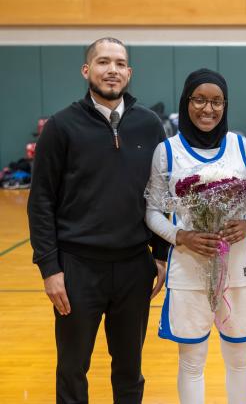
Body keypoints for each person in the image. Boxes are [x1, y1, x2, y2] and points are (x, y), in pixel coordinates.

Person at [27, 37, 168, 404]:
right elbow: (40, 200)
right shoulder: (60, 127)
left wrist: (161, 254)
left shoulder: (149, 125)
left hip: (134, 267)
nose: (113, 70)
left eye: (120, 63)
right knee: (72, 369)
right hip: (77, 269)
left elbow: (163, 194)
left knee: (129, 370)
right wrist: (49, 268)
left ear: (129, 73)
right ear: (87, 70)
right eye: (104, 62)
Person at [145, 69, 246, 404]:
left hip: (238, 264)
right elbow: (152, 211)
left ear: (225, 105)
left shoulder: (242, 146)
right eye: (199, 100)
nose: (208, 109)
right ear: (186, 102)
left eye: (216, 101)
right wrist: (181, 236)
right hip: (188, 266)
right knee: (192, 360)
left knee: (238, 359)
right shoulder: (166, 151)